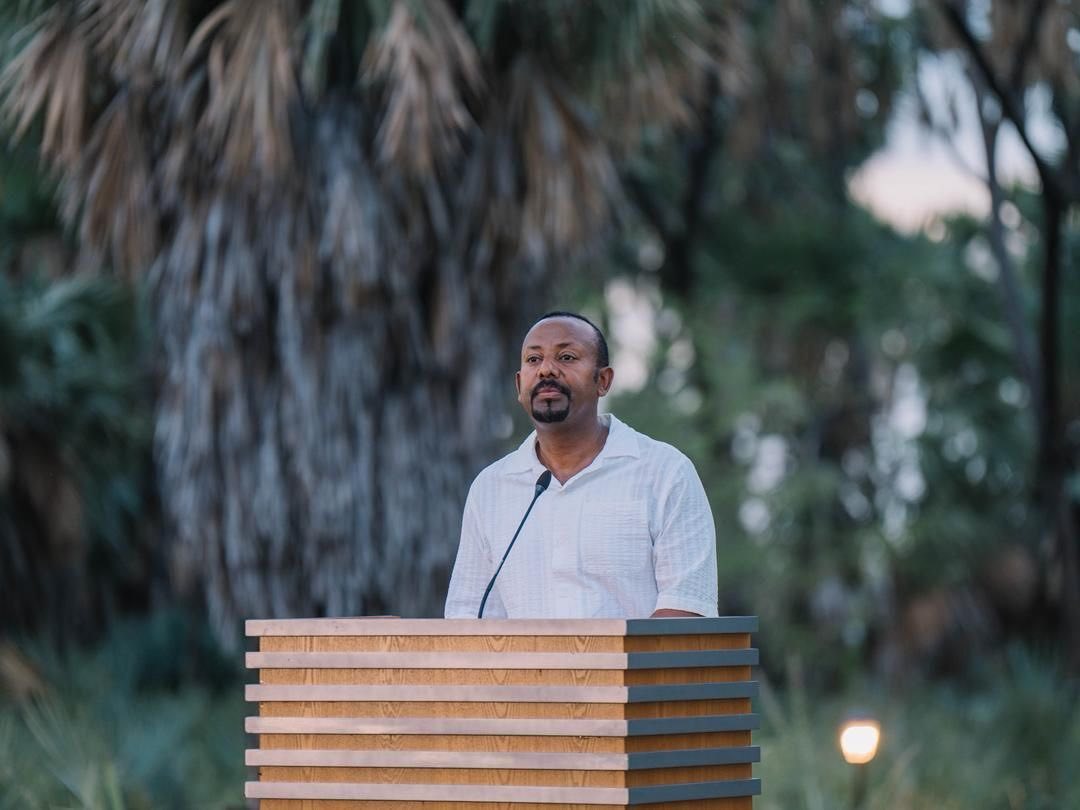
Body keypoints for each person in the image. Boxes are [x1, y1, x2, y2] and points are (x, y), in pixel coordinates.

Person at [444, 311, 718, 619]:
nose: (546, 369)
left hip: (638, 655)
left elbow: (686, 609)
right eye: (534, 359)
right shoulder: (490, 488)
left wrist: (593, 653)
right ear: (519, 385)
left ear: (603, 380)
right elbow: (468, 616)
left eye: (566, 357)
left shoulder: (665, 473)